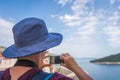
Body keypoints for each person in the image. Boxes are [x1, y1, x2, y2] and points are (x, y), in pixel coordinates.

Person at [0, 17, 93, 80]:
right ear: (42, 49)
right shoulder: (56, 78)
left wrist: (38, 69)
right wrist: (76, 68)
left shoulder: (2, 75)